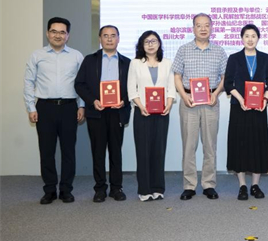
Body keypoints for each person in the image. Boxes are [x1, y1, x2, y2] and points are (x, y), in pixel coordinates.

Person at [23, 17, 85, 204]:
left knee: (68, 152)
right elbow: (29, 82)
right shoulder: (37, 55)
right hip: (45, 108)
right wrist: (31, 107)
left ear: (68, 35)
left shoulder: (76, 56)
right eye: (54, 31)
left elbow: (82, 84)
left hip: (69, 108)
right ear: (47, 33)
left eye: (62, 32)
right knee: (46, 151)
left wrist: (81, 105)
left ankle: (66, 190)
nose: (58, 35)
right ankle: (49, 190)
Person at [172, 13, 227, 201]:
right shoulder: (183, 50)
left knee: (210, 145)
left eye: (206, 25)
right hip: (189, 101)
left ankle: (209, 184)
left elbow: (224, 77)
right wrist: (183, 95)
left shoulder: (219, 51)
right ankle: (189, 185)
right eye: (199, 25)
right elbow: (177, 76)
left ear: (211, 28)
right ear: (193, 28)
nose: (203, 29)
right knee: (189, 145)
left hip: (211, 101)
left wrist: (216, 93)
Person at [75, 25, 131, 202]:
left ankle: (116, 188)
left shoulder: (127, 62)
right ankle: (99, 188)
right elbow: (79, 84)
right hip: (96, 112)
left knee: (116, 151)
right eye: (105, 36)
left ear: (118, 39)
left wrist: (124, 100)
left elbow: (133, 87)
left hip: (117, 112)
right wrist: (93, 101)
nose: (109, 39)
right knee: (98, 152)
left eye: (113, 35)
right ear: (100, 39)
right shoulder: (89, 60)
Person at [224, 24, 268, 200]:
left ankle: (255, 185)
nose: (250, 39)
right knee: (239, 145)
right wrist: (241, 99)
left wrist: (265, 99)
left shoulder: (266, 58)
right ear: (242, 38)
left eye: (253, 36)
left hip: (259, 109)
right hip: (239, 108)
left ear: (258, 38)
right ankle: (242, 186)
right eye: (247, 36)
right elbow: (228, 83)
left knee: (257, 145)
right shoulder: (234, 58)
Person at [127, 31, 176, 201]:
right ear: (141, 45)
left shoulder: (167, 63)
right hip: (142, 113)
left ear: (159, 44)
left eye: (153, 41)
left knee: (159, 150)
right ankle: (144, 189)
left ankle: (158, 188)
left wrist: (169, 103)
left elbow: (171, 87)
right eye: (146, 41)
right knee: (143, 151)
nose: (150, 44)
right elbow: (131, 89)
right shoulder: (135, 63)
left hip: (162, 113)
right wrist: (140, 106)